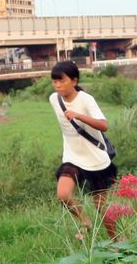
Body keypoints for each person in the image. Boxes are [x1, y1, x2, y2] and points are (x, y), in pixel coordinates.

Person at [49, 60, 117, 238]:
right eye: (54, 81)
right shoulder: (54, 99)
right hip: (72, 157)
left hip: (96, 160)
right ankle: (85, 222)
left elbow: (104, 125)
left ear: (74, 81)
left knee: (102, 206)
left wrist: (79, 116)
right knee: (63, 195)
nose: (57, 85)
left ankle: (116, 241)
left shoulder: (86, 100)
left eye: (61, 81)